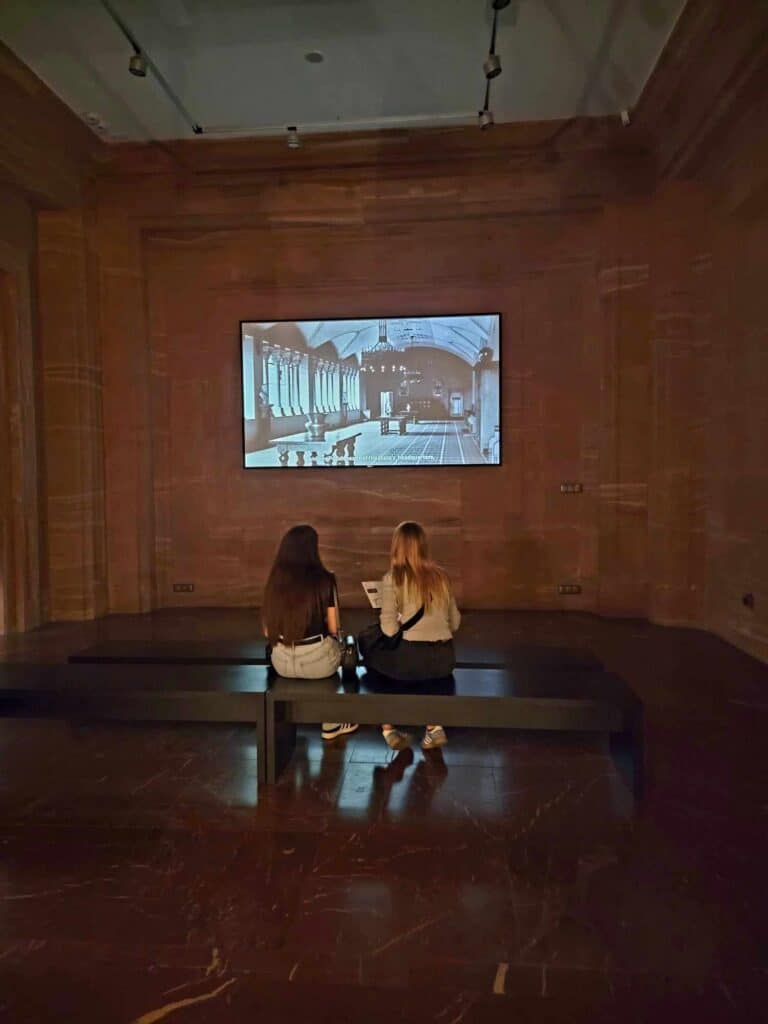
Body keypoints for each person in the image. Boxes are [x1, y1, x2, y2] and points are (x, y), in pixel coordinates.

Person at [359, 521, 460, 751]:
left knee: (374, 659)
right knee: (424, 674)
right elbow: (454, 623)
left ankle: (388, 727)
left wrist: (403, 623)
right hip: (444, 659)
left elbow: (389, 630)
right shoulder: (442, 577)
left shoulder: (393, 577)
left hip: (410, 660)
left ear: (397, 547)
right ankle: (433, 727)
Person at [262, 524, 357, 741]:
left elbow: (267, 630)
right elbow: (334, 629)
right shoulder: (325, 579)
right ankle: (333, 722)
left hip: (282, 664)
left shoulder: (275, 581)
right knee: (347, 649)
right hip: (320, 665)